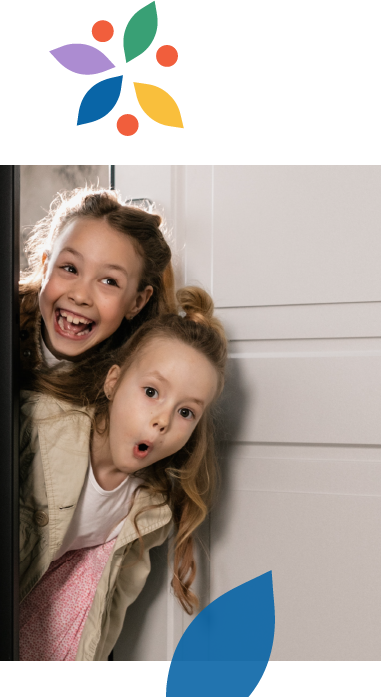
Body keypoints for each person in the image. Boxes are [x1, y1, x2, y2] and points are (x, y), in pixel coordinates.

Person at [17, 286, 227, 661]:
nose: (162, 420)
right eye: (151, 391)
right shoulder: (37, 425)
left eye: (186, 412)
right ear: (113, 382)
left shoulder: (151, 508)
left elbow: (106, 615)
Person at [18, 188, 177, 388]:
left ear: (137, 303)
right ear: (45, 267)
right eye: (70, 268)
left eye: (109, 281)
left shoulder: (133, 380)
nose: (80, 295)